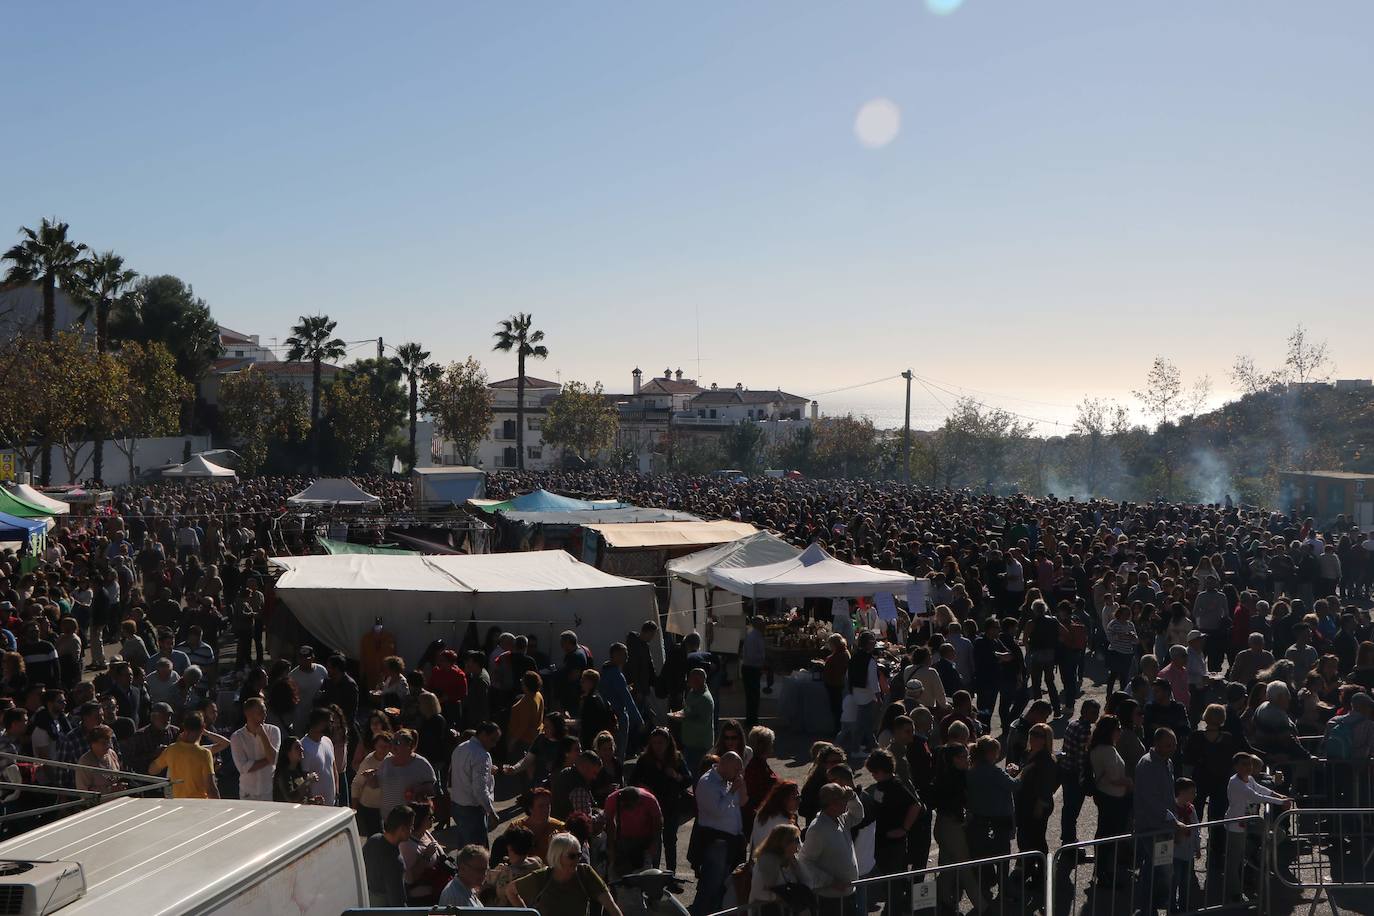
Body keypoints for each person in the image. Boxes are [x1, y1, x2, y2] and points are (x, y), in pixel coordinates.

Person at [1223, 752, 1292, 902]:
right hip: (1237, 824)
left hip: (1252, 821)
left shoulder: (1250, 778)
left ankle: (1258, 858)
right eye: (1243, 764)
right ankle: (1234, 892)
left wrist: (1279, 795)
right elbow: (1255, 796)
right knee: (1234, 861)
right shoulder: (1235, 782)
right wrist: (1281, 802)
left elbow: (1262, 789)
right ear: (1236, 767)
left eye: (1249, 764)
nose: (1248, 767)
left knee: (1278, 833)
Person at [506, 832, 624, 916]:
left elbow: (610, 906)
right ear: (557, 856)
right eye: (572, 856)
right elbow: (511, 891)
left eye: (579, 855)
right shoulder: (543, 877)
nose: (577, 860)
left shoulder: (585, 874)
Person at [688, 751, 748, 916]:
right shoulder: (708, 783)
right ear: (725, 765)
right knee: (710, 887)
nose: (738, 774)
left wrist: (741, 786)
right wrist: (731, 791)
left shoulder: (729, 781)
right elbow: (717, 811)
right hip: (716, 843)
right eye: (736, 770)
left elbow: (742, 802)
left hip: (732, 842)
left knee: (725, 888)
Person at [799, 782, 865, 916]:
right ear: (832, 804)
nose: (845, 804)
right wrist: (831, 881)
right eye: (843, 801)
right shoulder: (818, 829)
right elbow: (805, 862)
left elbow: (858, 816)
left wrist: (853, 796)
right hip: (830, 899)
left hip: (847, 894)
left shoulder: (840, 818)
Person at [632, 726, 692, 870]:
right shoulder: (645, 760)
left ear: (668, 743)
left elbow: (688, 779)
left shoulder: (676, 758)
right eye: (655, 743)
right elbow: (633, 782)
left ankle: (671, 875)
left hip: (671, 805)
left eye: (661, 743)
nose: (658, 746)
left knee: (670, 840)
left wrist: (676, 776)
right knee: (654, 841)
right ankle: (654, 874)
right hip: (651, 806)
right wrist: (643, 788)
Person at [450, 721, 502, 846]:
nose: (494, 745)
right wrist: (491, 812)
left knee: (464, 848)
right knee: (477, 852)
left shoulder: (461, 747)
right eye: (492, 740)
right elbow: (479, 789)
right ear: (483, 734)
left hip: (457, 805)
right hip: (472, 810)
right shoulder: (481, 755)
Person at [149, 711, 218, 799]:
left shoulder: (171, 749)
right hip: (199, 804)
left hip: (177, 803)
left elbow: (152, 770)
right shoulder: (204, 753)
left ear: (184, 727)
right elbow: (211, 788)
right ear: (203, 727)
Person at [750, 823, 811, 916]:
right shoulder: (765, 862)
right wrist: (778, 897)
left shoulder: (791, 860)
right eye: (795, 840)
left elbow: (808, 881)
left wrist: (796, 864)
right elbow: (757, 892)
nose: (798, 844)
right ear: (784, 842)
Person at [371, 728, 436, 815]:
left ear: (408, 745)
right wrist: (371, 777)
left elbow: (432, 790)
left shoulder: (420, 763)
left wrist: (417, 790)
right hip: (389, 817)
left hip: (411, 817)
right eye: (392, 742)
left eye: (397, 743)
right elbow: (376, 785)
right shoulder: (386, 762)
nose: (393, 746)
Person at [605, 784, 663, 879]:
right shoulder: (612, 800)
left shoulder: (649, 799)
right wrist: (611, 846)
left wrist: (655, 842)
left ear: (638, 801)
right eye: (626, 807)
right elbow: (610, 823)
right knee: (622, 870)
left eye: (631, 806)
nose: (630, 810)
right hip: (624, 838)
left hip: (647, 837)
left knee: (649, 872)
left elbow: (658, 821)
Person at [363, 803, 414, 907]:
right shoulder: (395, 862)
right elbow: (397, 903)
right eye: (411, 827)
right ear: (402, 829)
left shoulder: (373, 839)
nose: (412, 831)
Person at [230, 696, 280, 801]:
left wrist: (263, 736)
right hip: (247, 792)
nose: (265, 715)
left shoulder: (274, 731)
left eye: (265, 711)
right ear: (248, 714)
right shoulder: (237, 737)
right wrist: (268, 760)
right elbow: (243, 767)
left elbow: (274, 759)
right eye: (261, 712)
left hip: (267, 791)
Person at [399, 803, 450, 905]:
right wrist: (426, 856)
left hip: (437, 891)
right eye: (430, 817)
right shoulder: (406, 845)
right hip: (423, 900)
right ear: (420, 820)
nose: (434, 818)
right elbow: (410, 879)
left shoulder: (425, 833)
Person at [674, 667, 714, 772]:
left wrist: (683, 719)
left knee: (697, 773)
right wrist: (680, 713)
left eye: (690, 679)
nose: (688, 681)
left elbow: (702, 722)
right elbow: (688, 709)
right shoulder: (692, 693)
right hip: (689, 742)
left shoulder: (705, 699)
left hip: (699, 745)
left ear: (698, 680)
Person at [351, 731, 392, 835]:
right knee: (375, 835)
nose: (383, 750)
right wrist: (354, 807)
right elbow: (357, 783)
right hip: (370, 806)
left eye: (386, 747)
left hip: (387, 806)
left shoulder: (391, 760)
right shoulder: (368, 761)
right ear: (375, 746)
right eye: (381, 746)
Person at [300, 708, 337, 805]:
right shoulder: (304, 745)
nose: (332, 725)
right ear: (321, 722)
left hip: (332, 803)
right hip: (315, 805)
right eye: (330, 722)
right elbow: (303, 777)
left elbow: (333, 768)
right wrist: (310, 799)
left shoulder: (327, 741)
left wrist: (337, 792)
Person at [74, 725, 124, 794]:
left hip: (117, 801)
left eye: (109, 742)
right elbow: (84, 792)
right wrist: (109, 790)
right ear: (93, 743)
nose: (108, 746)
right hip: (99, 804)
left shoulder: (112, 754)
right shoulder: (85, 762)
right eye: (104, 743)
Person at [742, 617, 767, 728]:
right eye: (763, 624)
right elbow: (751, 656)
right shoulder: (753, 637)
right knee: (752, 696)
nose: (764, 626)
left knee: (753, 696)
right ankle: (751, 721)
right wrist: (763, 659)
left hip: (753, 668)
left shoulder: (757, 635)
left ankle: (752, 719)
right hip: (750, 668)